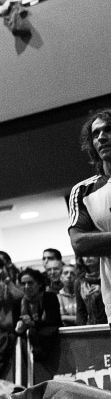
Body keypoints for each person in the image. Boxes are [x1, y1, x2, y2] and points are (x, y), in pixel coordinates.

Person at [68, 109, 111, 331]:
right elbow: (79, 243)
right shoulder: (84, 191)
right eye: (96, 134)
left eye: (108, 130)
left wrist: (102, 241)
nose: (102, 137)